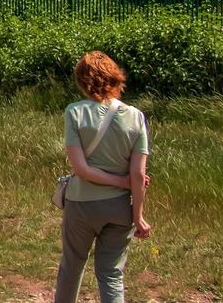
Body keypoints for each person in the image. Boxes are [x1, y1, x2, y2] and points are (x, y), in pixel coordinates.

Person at [54, 51, 151, 303]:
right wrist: (138, 216)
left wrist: (121, 181)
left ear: (82, 81)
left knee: (72, 267)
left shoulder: (74, 112)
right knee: (111, 275)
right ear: (115, 78)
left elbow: (81, 169)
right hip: (120, 208)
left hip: (81, 204)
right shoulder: (136, 116)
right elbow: (139, 175)